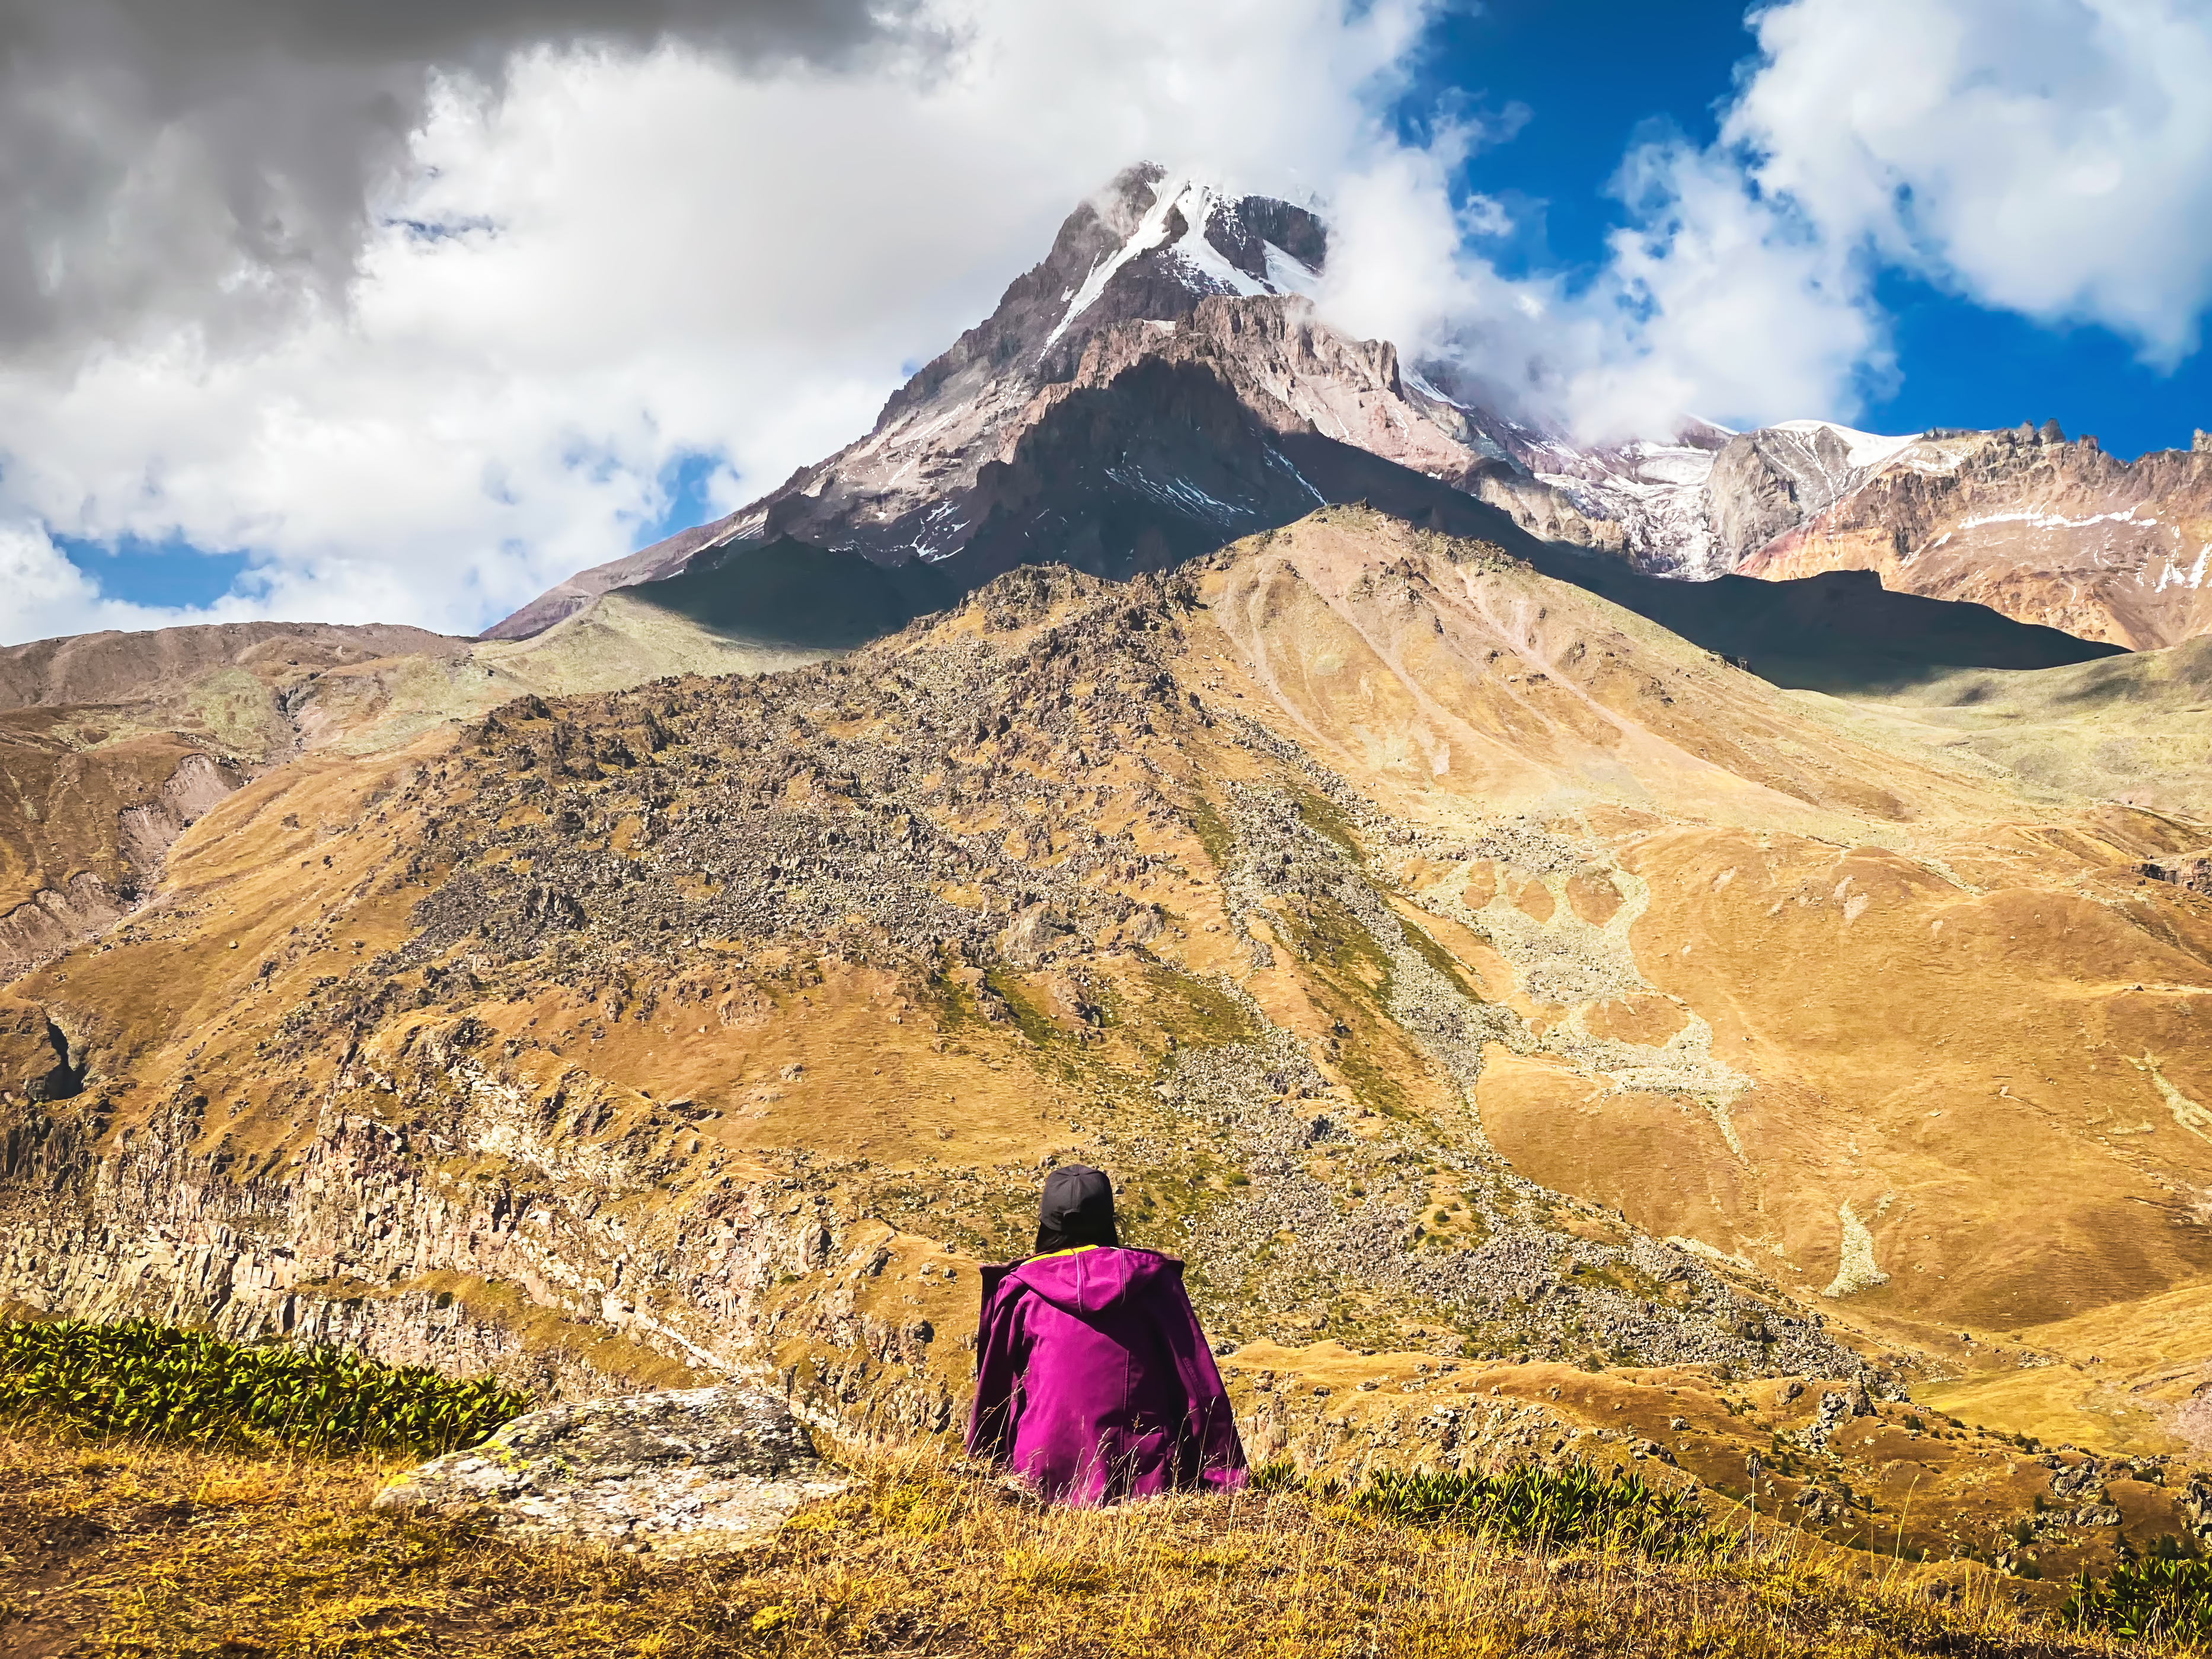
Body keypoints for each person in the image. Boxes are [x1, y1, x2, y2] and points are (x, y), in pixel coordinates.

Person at [966, 1163, 1247, 1505]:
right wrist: (1224, 1474)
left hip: (1037, 1480)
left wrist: (983, 1469)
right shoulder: (1155, 1284)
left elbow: (995, 1394)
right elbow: (1198, 1387)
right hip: (1139, 1479)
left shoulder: (1020, 1292)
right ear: (1109, 1220)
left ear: (1046, 1223)